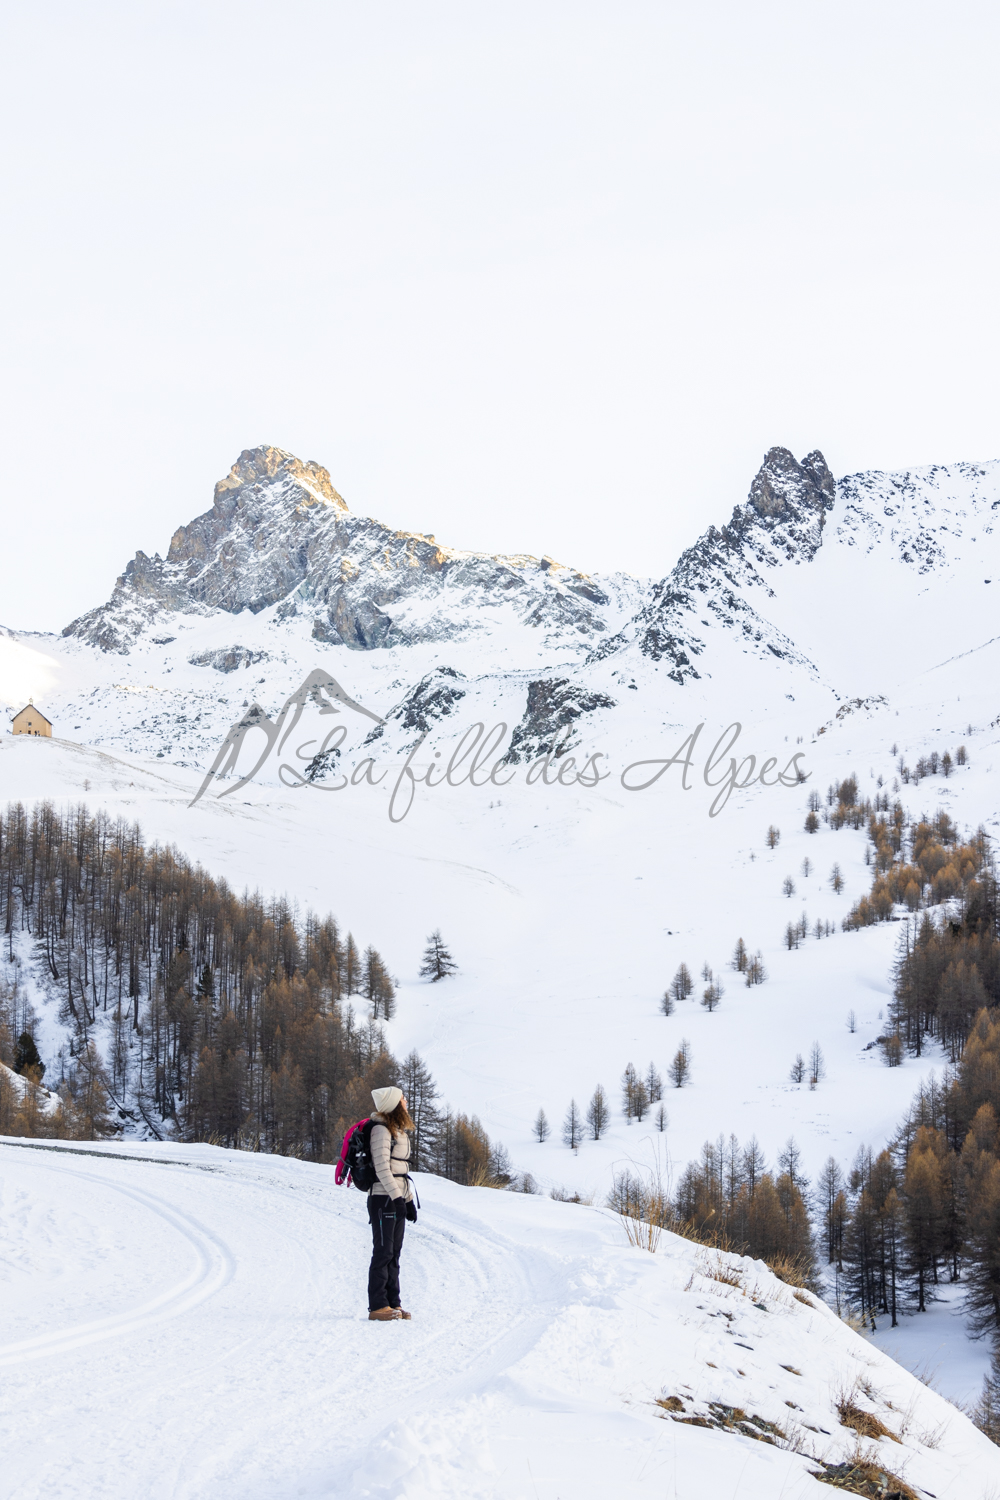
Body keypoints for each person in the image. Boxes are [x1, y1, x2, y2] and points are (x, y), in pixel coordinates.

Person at [367, 1085, 417, 1322]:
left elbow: (400, 1171)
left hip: (396, 1197)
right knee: (383, 1252)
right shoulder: (381, 1130)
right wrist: (397, 1198)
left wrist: (408, 1200)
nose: (406, 1102)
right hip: (382, 1198)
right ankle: (378, 1305)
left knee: (394, 1253)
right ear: (394, 1104)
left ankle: (393, 1303)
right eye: (402, 1098)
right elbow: (382, 1168)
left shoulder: (397, 1130)